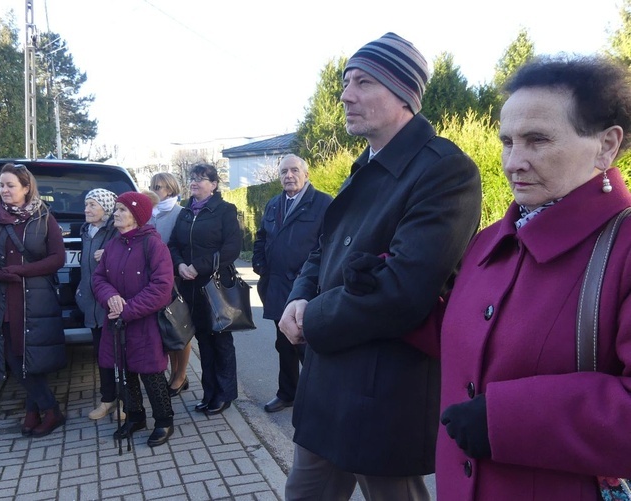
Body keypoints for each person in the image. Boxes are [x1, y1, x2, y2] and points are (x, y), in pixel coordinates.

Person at [277, 33, 482, 500]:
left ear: (405, 95)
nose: (346, 95)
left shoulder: (445, 171)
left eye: (364, 82)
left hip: (382, 390)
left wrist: (313, 318)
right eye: (346, 82)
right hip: (327, 385)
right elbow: (323, 249)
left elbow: (403, 292)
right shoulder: (364, 165)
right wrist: (298, 297)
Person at [427, 56, 631, 500]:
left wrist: (505, 420)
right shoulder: (487, 243)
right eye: (506, 141)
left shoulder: (625, 247)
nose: (512, 162)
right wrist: (394, 302)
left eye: (537, 140)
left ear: (606, 145)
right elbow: (472, 345)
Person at [0, 163, 67, 438]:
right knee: (13, 356)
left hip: (35, 300)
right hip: (1, 299)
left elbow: (56, 259)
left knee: (30, 356)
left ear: (26, 188)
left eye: (10, 185)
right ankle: (48, 409)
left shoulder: (44, 218)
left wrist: (21, 271)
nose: (4, 190)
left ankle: (38, 410)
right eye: (1, 185)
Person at [92, 191, 175, 447]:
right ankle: (135, 416)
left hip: (144, 323)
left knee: (151, 373)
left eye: (122, 210)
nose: (115, 214)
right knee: (124, 372)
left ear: (137, 216)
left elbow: (161, 287)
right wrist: (111, 298)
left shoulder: (154, 245)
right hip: (117, 323)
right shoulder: (114, 245)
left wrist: (127, 310)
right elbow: (99, 278)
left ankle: (164, 421)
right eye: (115, 209)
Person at [252, 154, 332, 413]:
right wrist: (259, 264)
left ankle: (319, 401)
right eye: (284, 171)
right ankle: (287, 393)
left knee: (308, 349)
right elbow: (261, 237)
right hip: (276, 287)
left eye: (294, 170)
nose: (289, 175)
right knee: (283, 344)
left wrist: (308, 278)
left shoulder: (323, 203)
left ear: (306, 174)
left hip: (306, 289)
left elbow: (328, 245)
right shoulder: (274, 204)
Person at [168, 163, 242, 415]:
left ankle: (225, 394)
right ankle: (209, 393)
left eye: (201, 179)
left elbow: (232, 249)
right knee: (202, 340)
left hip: (215, 285)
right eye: (192, 178)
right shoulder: (186, 211)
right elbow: (172, 244)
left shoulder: (225, 210)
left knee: (220, 340)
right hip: (190, 286)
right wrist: (179, 265)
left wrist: (198, 266)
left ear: (214, 184)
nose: (194, 182)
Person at [76, 188, 125, 421]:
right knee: (102, 355)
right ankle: (108, 399)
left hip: (112, 305)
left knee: (122, 354)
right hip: (92, 304)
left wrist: (110, 253)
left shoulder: (116, 231)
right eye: (86, 204)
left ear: (106, 208)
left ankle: (127, 400)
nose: (86, 209)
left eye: (92, 205)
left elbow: (129, 254)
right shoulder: (86, 231)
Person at [148, 172, 190, 397]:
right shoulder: (148, 214)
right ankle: (174, 374)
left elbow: (182, 246)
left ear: (171, 189)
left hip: (175, 280)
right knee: (166, 330)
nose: (155, 190)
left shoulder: (180, 213)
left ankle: (181, 375)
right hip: (152, 282)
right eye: (153, 186)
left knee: (179, 328)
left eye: (160, 187)